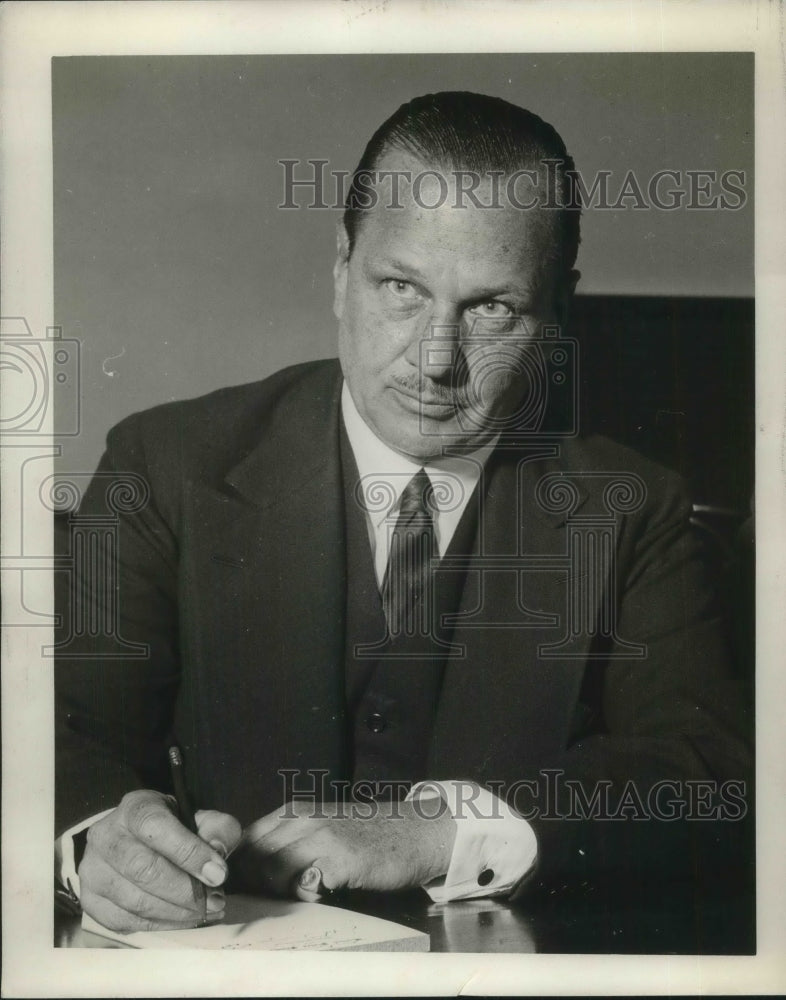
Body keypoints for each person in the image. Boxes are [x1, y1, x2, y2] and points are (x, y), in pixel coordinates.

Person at [55, 92, 751, 934]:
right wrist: (98, 838)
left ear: (558, 312)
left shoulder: (632, 508)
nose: (437, 358)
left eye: (492, 307)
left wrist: (447, 831)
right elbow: (57, 732)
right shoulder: (165, 464)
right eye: (401, 288)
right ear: (340, 269)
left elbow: (711, 775)